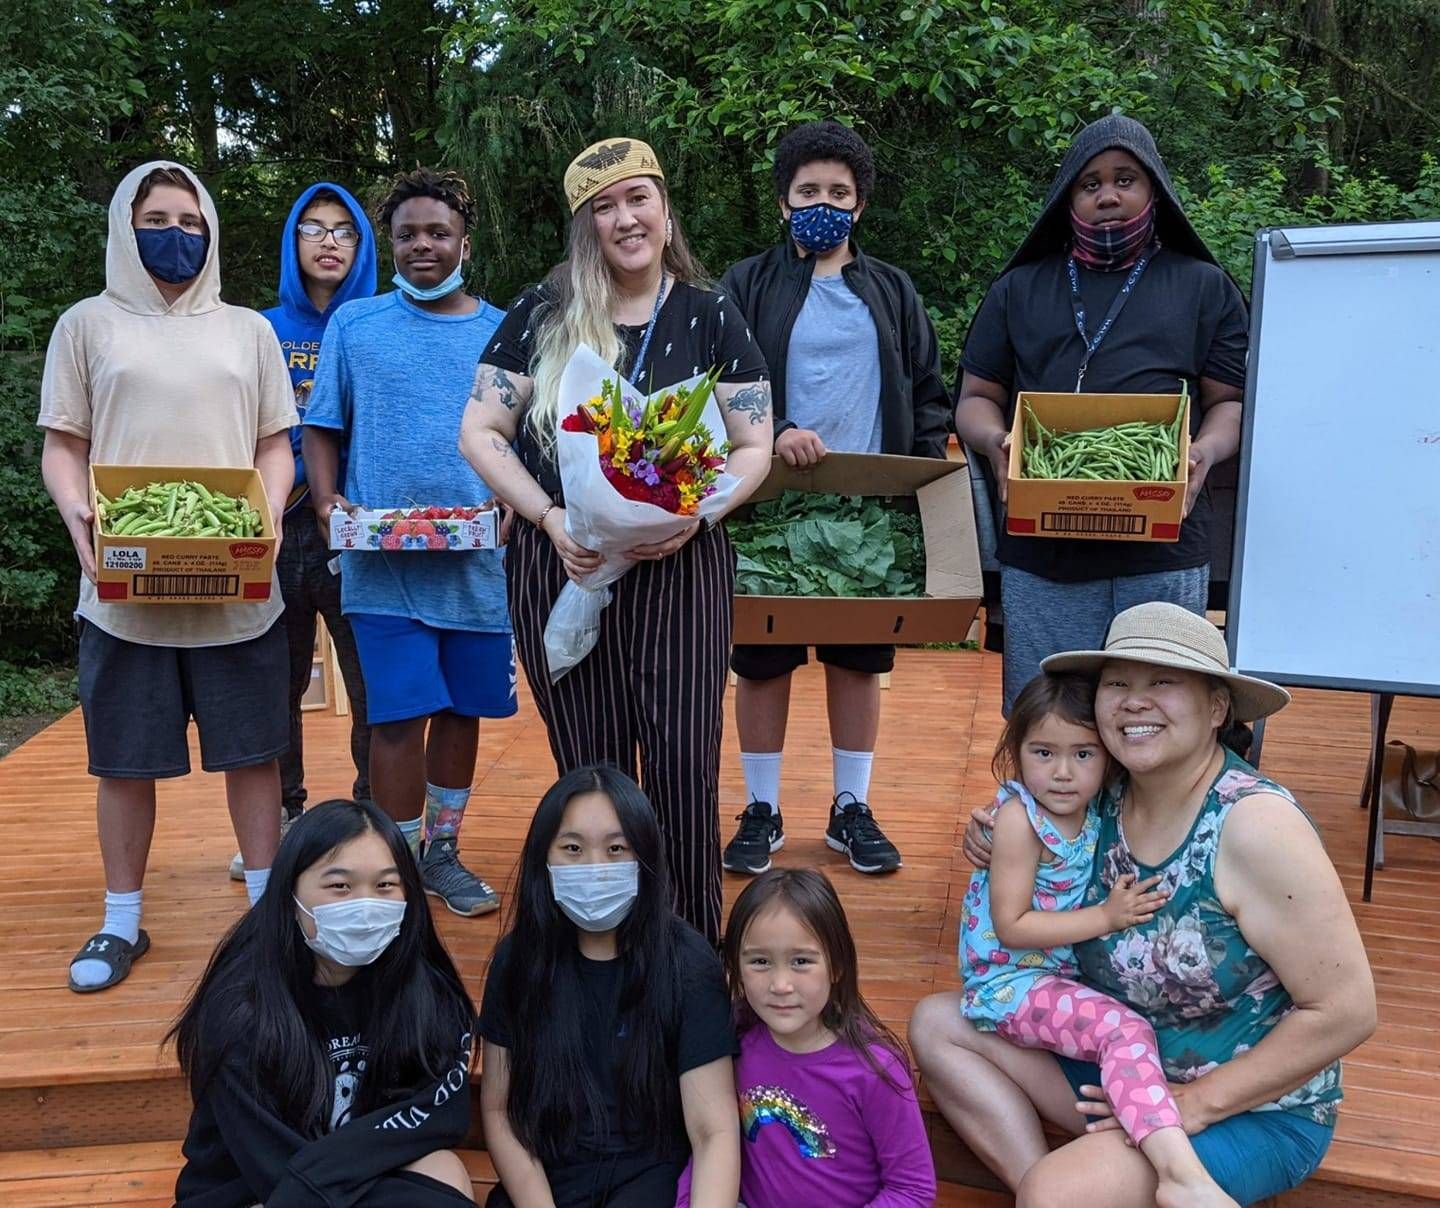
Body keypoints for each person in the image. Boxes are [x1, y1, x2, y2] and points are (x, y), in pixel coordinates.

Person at [909, 603, 1378, 1206]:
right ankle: (1046, 1186)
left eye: (1162, 682)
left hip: (1246, 1106)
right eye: (1117, 683)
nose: (1134, 701)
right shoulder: (1102, 788)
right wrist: (993, 835)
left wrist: (1196, 1103)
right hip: (1125, 1071)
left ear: (1216, 708)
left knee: (1060, 1195)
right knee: (939, 1024)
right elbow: (1033, 817)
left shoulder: (1255, 826)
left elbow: (1348, 1011)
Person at [461, 136, 774, 945]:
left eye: (638, 199)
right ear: (585, 226)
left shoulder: (710, 314)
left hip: (680, 569)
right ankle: (596, 958)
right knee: (589, 777)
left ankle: (690, 960)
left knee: (681, 771)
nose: (624, 218)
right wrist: (549, 518)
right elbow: (481, 430)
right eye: (604, 206)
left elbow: (753, 444)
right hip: (565, 563)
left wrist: (697, 515)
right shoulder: (544, 311)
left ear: (666, 213)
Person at [39, 162, 295, 992]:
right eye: (156, 217)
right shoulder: (88, 325)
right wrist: (79, 511)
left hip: (234, 587)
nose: (175, 232)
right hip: (125, 590)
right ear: (125, 224)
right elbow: (65, 444)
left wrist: (269, 511)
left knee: (254, 753)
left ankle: (265, 917)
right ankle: (121, 923)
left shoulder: (246, 330)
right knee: (124, 759)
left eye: (191, 219)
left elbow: (271, 444)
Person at [954, 115, 1250, 716]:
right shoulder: (1018, 288)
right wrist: (996, 441)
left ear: (1154, 192)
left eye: (1125, 179)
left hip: (1160, 549)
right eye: (1089, 183)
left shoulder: (1204, 286)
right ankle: (1050, 815)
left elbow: (1230, 405)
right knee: (1053, 718)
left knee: (1156, 720)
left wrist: (1203, 451)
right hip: (1045, 555)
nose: (1108, 195)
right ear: (1069, 198)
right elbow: (975, 398)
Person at [719, 120, 951, 879]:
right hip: (768, 501)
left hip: (869, 504)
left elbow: (926, 393)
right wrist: (774, 431)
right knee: (762, 660)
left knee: (860, 656)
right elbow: (712, 386)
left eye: (839, 193)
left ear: (860, 206)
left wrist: (916, 483)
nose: (824, 202)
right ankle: (762, 808)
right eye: (809, 190)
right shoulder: (745, 284)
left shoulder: (891, 290)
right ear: (784, 203)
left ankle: (852, 807)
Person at [303, 167, 516, 917]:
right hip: (380, 562)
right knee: (396, 715)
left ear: (464, 240)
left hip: (476, 563)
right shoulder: (356, 326)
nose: (423, 245)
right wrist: (328, 500)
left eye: (438, 232)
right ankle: (394, 860)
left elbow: (523, 433)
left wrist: (512, 497)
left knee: (461, 711)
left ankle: (443, 856)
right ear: (388, 244)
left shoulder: (504, 328)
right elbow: (323, 424)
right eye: (407, 234)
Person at [960, 672, 1234, 1207]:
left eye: (1083, 754)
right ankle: (1176, 1169)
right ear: (1015, 752)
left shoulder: (1093, 805)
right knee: (1124, 1029)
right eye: (1043, 753)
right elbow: (1013, 925)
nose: (1063, 773)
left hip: (1045, 978)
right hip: (1010, 981)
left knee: (1124, 1028)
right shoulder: (1021, 820)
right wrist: (1108, 918)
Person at [171, 798, 477, 1206]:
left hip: (357, 1175)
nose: (365, 905)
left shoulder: (425, 986)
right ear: (290, 892)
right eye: (340, 886)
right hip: (257, 1187)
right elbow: (273, 1168)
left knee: (444, 1169)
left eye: (386, 884)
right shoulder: (241, 1009)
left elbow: (442, 1113)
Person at [478, 765, 740, 1206]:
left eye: (617, 848)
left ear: (645, 859)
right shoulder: (518, 960)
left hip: (650, 1178)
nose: (595, 868)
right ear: (544, 857)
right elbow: (499, 1109)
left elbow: (713, 1130)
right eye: (573, 848)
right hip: (546, 1179)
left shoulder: (688, 962)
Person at [228, 181, 378, 882]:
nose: (328, 241)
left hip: (360, 530)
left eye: (343, 230)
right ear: (291, 242)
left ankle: (373, 812)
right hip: (276, 528)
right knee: (275, 683)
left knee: (371, 681)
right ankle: (285, 813)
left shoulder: (380, 321)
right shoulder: (256, 329)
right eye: (312, 228)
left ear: (363, 244)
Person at [676, 867, 935, 1206]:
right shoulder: (734, 1041)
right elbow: (709, 1144)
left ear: (837, 965)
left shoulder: (875, 1070)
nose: (780, 984)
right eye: (760, 961)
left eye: (801, 961)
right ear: (735, 967)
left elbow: (912, 1188)